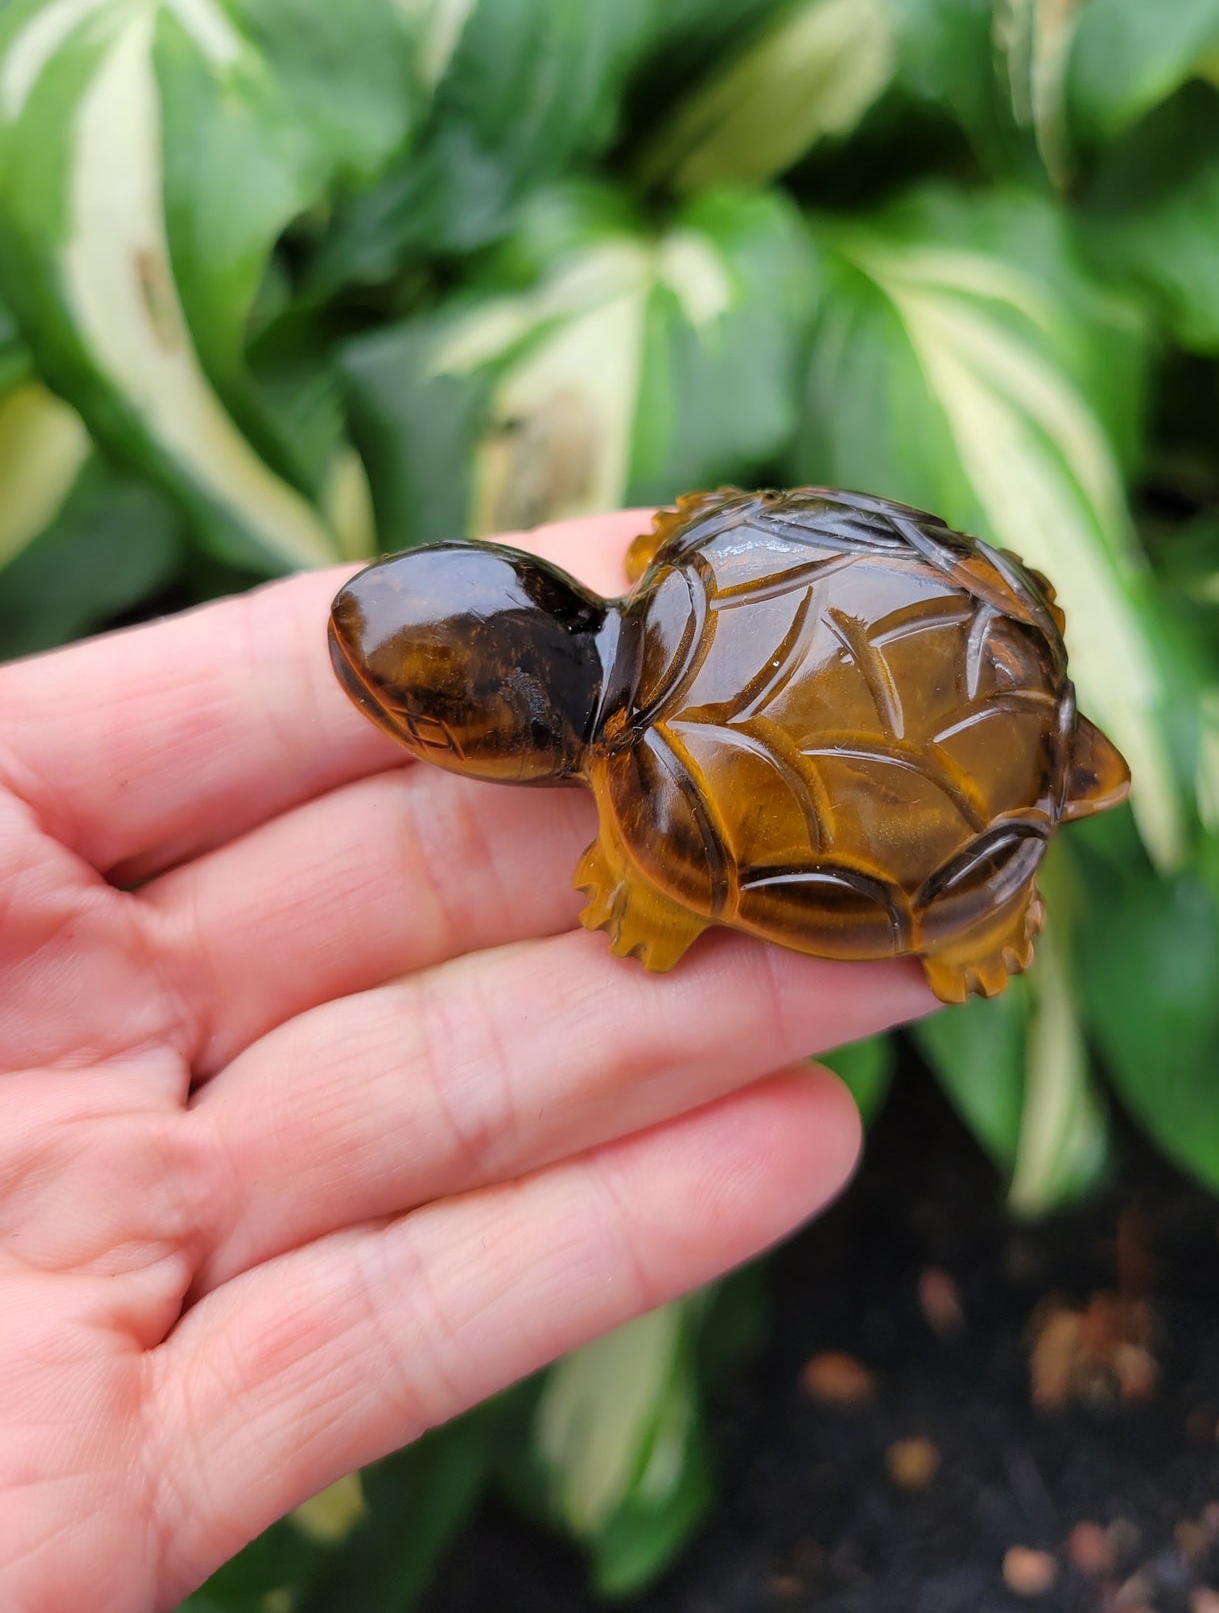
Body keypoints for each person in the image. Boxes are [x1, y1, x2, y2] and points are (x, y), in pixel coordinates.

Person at [0, 509, 932, 1612]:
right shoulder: (699, 558)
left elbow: (689, 878)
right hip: (862, 596)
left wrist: (658, 890)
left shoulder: (672, 806)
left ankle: (968, 902)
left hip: (928, 770)